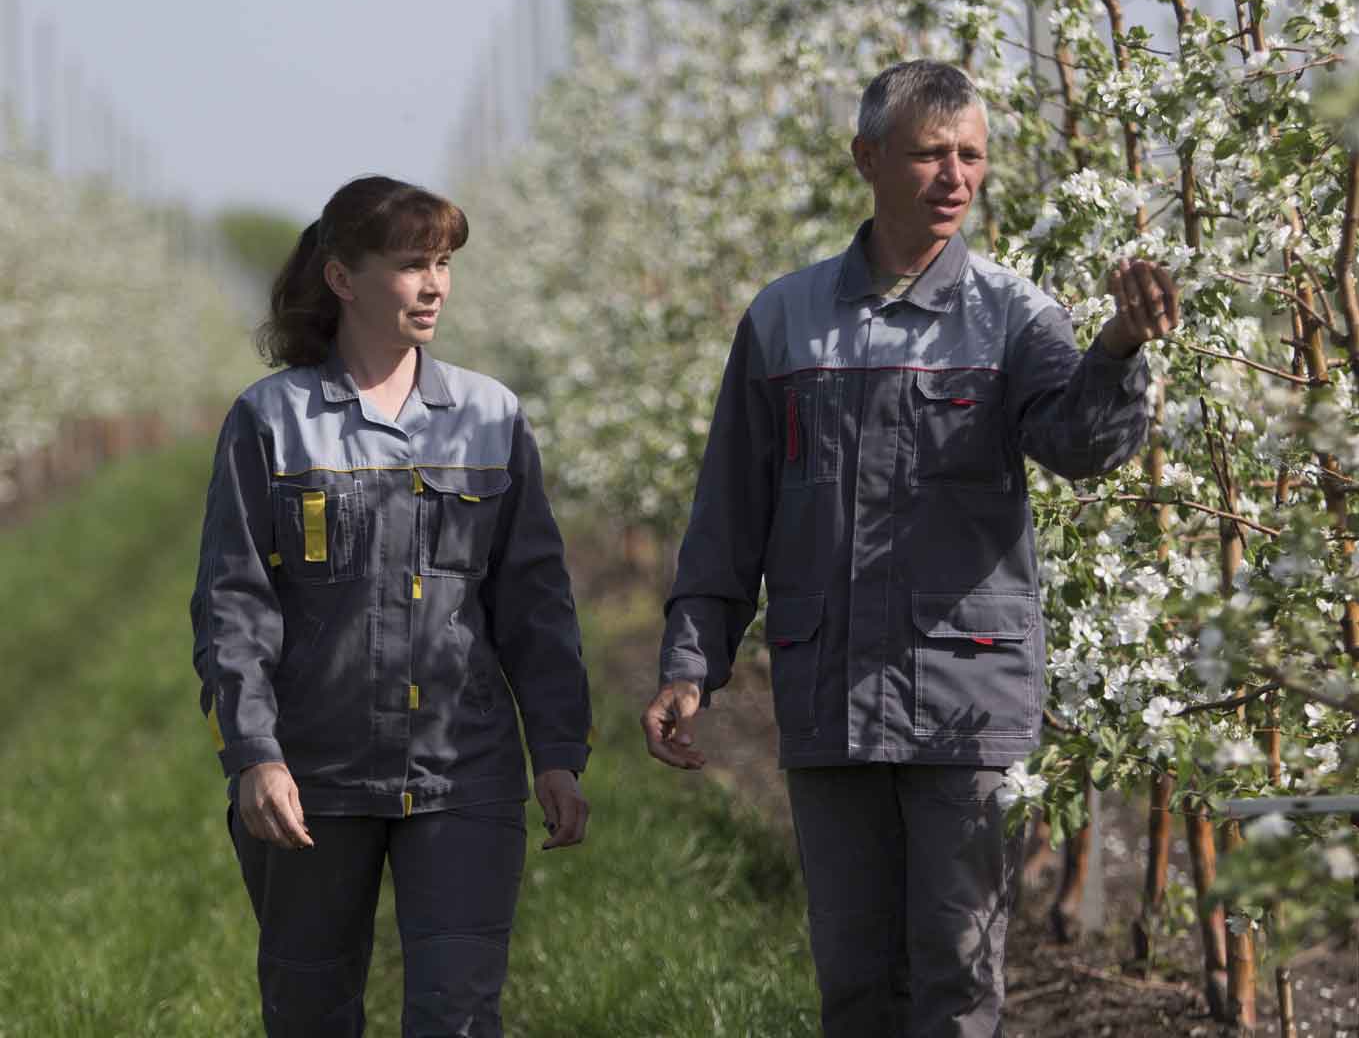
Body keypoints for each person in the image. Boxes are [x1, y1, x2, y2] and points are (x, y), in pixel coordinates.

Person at [640, 61, 1177, 1036]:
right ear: (867, 158)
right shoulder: (785, 320)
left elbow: (1079, 447)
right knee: (854, 982)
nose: (955, 177)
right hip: (828, 688)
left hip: (965, 696)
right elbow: (730, 512)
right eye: (931, 154)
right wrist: (690, 663)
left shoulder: (1014, 315)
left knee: (959, 977)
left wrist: (1116, 354)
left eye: (971, 156)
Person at [191, 174, 592, 1036]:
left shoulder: (491, 417)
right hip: (311, 778)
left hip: (463, 772)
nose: (436, 283)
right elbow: (233, 605)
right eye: (413, 264)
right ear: (343, 278)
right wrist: (254, 753)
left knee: (457, 1012)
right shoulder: (270, 421)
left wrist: (557, 749)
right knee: (309, 1011)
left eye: (444, 262)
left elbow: (535, 602)